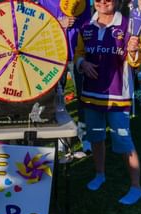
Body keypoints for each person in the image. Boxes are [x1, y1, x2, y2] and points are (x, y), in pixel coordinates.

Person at [75, 0, 141, 205]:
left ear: (117, 1)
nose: (103, 2)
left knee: (124, 141)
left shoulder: (129, 24)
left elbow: (136, 61)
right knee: (96, 137)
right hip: (91, 93)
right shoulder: (85, 26)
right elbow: (78, 55)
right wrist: (82, 63)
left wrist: (133, 50)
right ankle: (100, 174)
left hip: (118, 96)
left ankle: (135, 186)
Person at [37, 0, 92, 158]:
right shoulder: (44, 1)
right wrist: (58, 23)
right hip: (55, 56)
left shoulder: (83, 2)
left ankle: (85, 138)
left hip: (78, 56)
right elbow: (37, 27)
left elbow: (88, 26)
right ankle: (61, 139)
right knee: (58, 100)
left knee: (83, 97)